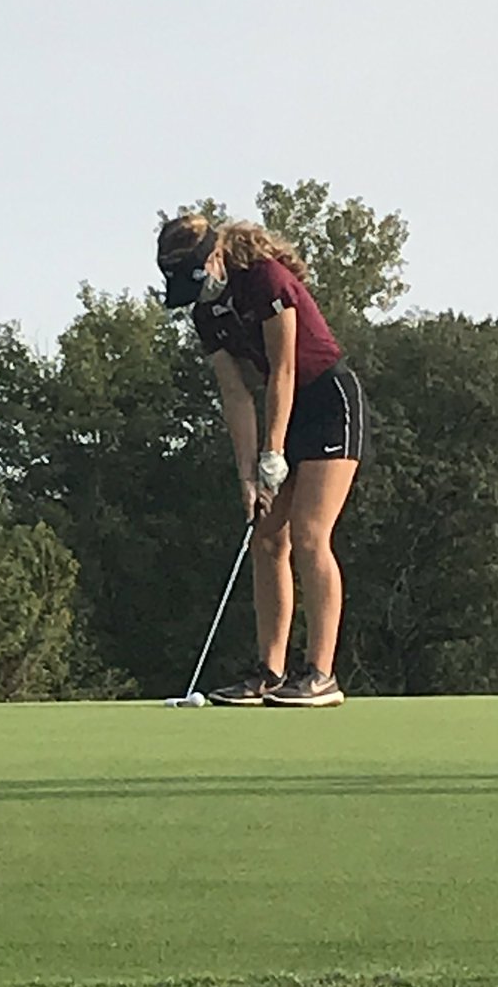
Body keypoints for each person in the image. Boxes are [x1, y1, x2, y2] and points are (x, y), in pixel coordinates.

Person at [156, 214, 369, 708]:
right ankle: (269, 672)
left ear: (214, 256)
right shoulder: (206, 314)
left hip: (327, 402)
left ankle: (321, 674)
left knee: (311, 532)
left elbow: (285, 370)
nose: (197, 292)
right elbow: (236, 396)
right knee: (267, 536)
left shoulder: (267, 280)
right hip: (284, 412)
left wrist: (274, 452)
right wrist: (248, 475)